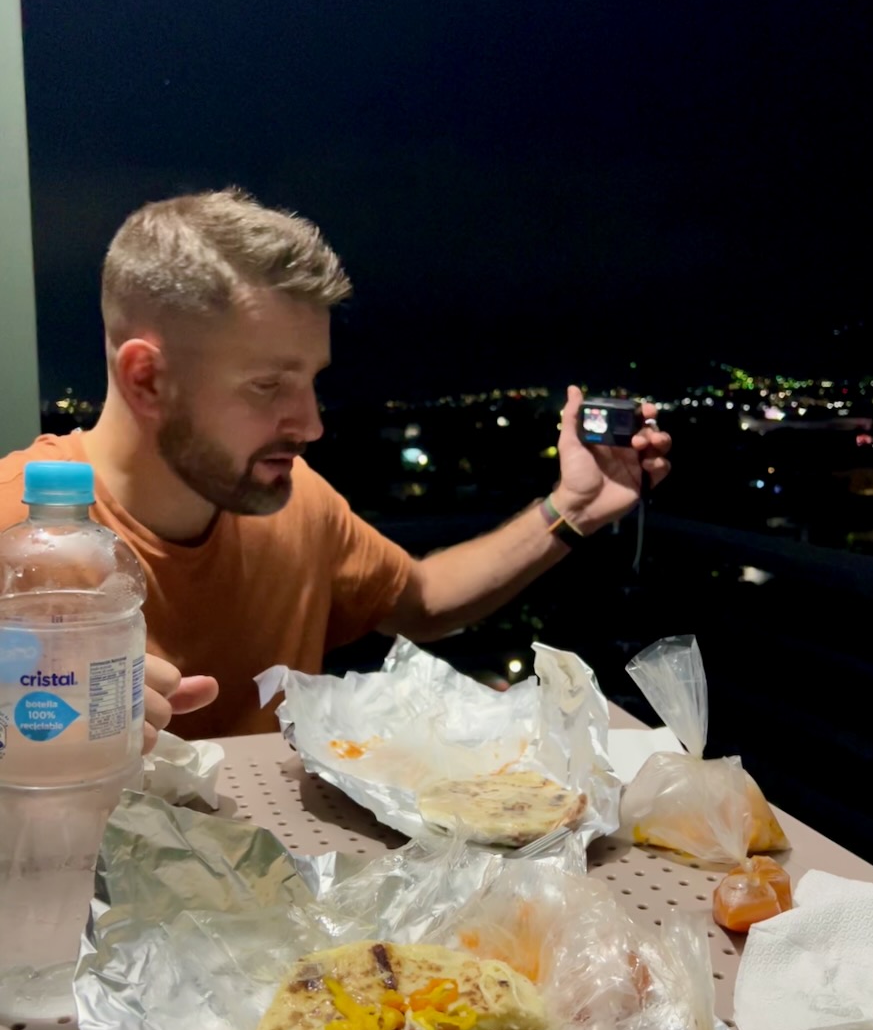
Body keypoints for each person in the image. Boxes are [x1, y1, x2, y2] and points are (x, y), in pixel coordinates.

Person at [0, 189, 671, 741]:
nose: (312, 424)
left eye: (312, 381)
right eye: (268, 385)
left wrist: (574, 508)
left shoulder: (295, 505)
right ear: (147, 379)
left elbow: (425, 599)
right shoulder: (12, 526)